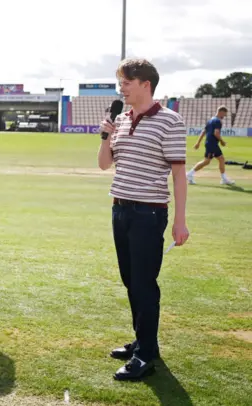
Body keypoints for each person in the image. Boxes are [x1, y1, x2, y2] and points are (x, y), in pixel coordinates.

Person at [97, 58, 190, 381]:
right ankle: (143, 340)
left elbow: (179, 174)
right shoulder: (121, 119)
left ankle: (146, 354)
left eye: (126, 82)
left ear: (145, 84)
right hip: (120, 209)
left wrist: (180, 221)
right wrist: (106, 136)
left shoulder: (170, 121)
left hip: (149, 213)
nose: (121, 88)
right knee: (129, 280)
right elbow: (104, 165)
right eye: (120, 82)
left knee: (143, 283)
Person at [186, 106, 236, 185]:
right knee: (206, 161)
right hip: (212, 144)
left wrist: (198, 142)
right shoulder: (217, 121)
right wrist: (222, 141)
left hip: (211, 143)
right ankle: (189, 174)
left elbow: (203, 132)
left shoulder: (210, 120)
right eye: (224, 114)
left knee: (221, 159)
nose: (224, 117)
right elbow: (216, 133)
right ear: (221, 112)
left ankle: (224, 179)